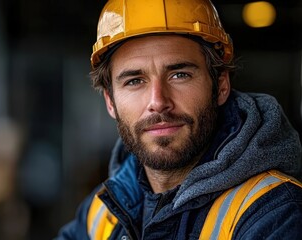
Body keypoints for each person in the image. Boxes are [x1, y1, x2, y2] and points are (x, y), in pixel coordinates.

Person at [57, 0, 302, 239]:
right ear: (110, 101)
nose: (158, 101)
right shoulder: (105, 210)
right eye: (134, 81)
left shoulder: (274, 212)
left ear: (221, 85)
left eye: (179, 74)